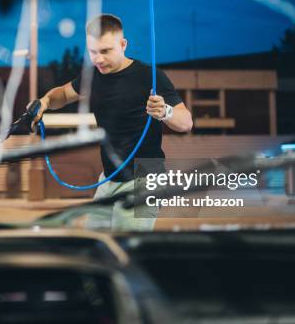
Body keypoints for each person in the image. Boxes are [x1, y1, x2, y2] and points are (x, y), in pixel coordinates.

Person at [32, 14, 193, 230]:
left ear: (123, 44)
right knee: (94, 244)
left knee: (129, 245)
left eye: (105, 51)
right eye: (93, 52)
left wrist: (166, 111)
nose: (98, 59)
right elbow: (62, 94)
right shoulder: (93, 77)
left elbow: (186, 123)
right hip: (109, 177)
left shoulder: (149, 76)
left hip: (145, 176)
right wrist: (44, 101)